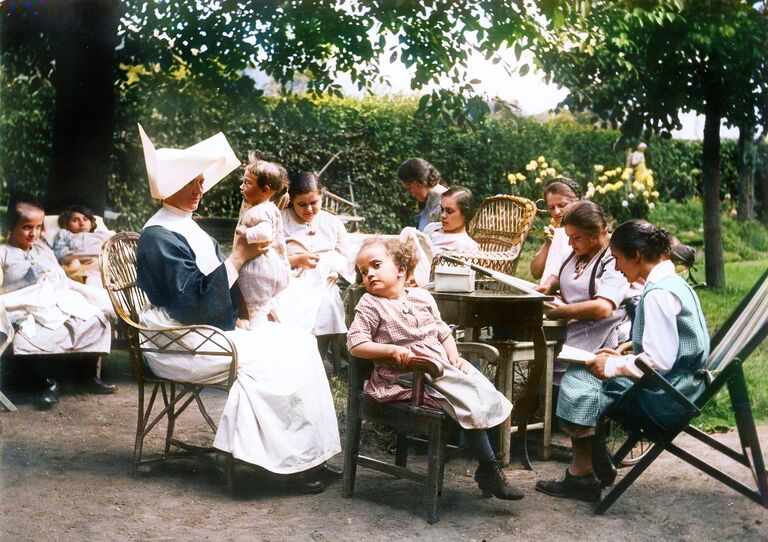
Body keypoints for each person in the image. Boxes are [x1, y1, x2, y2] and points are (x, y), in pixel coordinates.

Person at [135, 125, 341, 493]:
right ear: (169, 188)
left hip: (211, 326)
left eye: (201, 182)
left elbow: (229, 281)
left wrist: (249, 311)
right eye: (191, 183)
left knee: (301, 343)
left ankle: (308, 457)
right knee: (270, 360)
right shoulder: (158, 236)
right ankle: (268, 465)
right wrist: (239, 256)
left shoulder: (188, 227)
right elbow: (190, 305)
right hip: (178, 339)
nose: (200, 190)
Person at [536, 220, 709, 502]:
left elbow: (657, 363)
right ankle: (595, 457)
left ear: (636, 256)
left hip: (667, 399)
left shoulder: (658, 295)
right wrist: (622, 353)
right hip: (684, 386)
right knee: (587, 376)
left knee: (579, 379)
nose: (616, 268)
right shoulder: (672, 282)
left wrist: (613, 366)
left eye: (617, 259)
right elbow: (667, 347)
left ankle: (582, 474)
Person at [347, 237, 523, 501]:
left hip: (440, 370)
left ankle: (489, 466)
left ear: (400, 270)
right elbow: (356, 344)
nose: (369, 274)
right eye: (363, 271)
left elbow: (442, 332)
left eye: (375, 265)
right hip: (404, 376)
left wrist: (454, 357)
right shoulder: (371, 304)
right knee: (465, 395)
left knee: (483, 392)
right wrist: (391, 351)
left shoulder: (421, 297)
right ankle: (490, 469)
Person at [0, 199, 115, 408]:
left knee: (97, 315)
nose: (33, 234)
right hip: (23, 303)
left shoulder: (42, 249)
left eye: (38, 228)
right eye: (26, 227)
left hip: (54, 298)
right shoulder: (4, 253)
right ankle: (45, 382)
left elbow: (59, 276)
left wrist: (57, 286)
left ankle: (86, 374)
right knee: (31, 331)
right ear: (11, 226)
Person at [272, 171, 354, 358]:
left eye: (314, 203)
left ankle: (319, 356)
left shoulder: (332, 222)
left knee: (327, 303)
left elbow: (346, 256)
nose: (309, 209)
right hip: (290, 277)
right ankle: (291, 354)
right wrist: (297, 259)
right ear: (292, 200)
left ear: (321, 197)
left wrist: (336, 271)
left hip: (326, 280)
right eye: (302, 204)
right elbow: (270, 257)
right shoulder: (281, 220)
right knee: (287, 305)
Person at [235, 159, 290, 327]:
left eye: (247, 183)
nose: (242, 186)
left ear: (265, 190)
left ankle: (257, 334)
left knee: (256, 308)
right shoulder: (264, 207)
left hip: (259, 269)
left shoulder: (261, 210)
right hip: (262, 267)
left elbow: (264, 233)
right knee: (257, 307)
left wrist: (246, 232)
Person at [530, 178, 580, 288]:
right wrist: (549, 243)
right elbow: (536, 273)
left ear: (577, 203)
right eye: (551, 208)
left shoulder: (584, 234)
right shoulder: (558, 232)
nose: (556, 212)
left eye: (562, 205)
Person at [52, 205, 113, 286]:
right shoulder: (66, 234)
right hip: (78, 264)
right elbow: (59, 252)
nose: (82, 223)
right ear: (67, 224)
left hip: (101, 263)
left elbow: (115, 248)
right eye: (75, 220)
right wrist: (71, 260)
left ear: (91, 223)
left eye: (85, 219)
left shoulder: (102, 234)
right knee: (76, 271)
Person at [423, 186, 480, 256]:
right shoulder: (432, 227)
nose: (443, 215)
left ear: (465, 213)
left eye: (449, 211)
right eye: (442, 209)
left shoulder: (468, 246)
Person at [397, 158, 449, 231]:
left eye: (409, 188)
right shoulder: (430, 202)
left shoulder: (446, 203)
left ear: (420, 181)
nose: (410, 193)